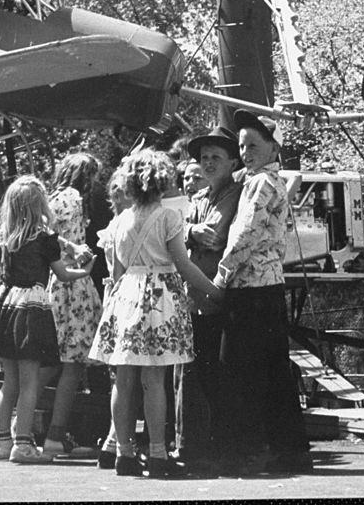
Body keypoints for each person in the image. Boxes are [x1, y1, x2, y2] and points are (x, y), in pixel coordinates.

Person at [89, 149, 220, 479]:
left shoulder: (119, 221)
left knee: (124, 377)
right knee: (154, 380)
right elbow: (184, 264)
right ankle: (159, 454)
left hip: (125, 296)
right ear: (162, 181)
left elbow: (117, 271)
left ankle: (123, 452)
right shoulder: (168, 218)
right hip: (159, 298)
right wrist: (216, 291)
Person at [207, 110, 313, 476]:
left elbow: (245, 235)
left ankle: (245, 452)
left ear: (273, 147)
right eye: (242, 146)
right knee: (273, 372)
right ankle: (289, 449)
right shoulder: (271, 180)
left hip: (249, 290)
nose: (246, 152)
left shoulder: (259, 185)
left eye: (253, 145)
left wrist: (221, 276)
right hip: (269, 288)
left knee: (237, 371)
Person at [0, 175, 96, 464]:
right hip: (31, 309)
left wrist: (67, 246)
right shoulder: (44, 240)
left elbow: (54, 241)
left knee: (10, 382)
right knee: (30, 381)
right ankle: (23, 445)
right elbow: (64, 275)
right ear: (39, 205)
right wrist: (87, 269)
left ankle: (2, 442)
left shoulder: (7, 235)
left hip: (5, 306)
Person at [173, 126, 242, 471]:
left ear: (232, 161)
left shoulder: (234, 193)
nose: (209, 163)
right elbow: (181, 234)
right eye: (204, 158)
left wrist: (191, 235)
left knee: (217, 375)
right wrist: (189, 232)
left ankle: (220, 446)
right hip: (194, 298)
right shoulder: (199, 199)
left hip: (218, 296)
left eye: (216, 157)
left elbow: (214, 238)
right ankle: (195, 445)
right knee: (196, 373)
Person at [41, 153, 103, 460]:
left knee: (59, 362)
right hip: (73, 285)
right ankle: (54, 434)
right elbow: (48, 233)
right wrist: (75, 249)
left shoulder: (55, 197)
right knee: (72, 364)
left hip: (62, 282)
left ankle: (27, 425)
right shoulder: (72, 198)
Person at [94, 167, 132, 469]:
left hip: (114, 297)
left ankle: (112, 441)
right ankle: (119, 441)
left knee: (119, 375)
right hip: (129, 294)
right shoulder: (127, 225)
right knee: (128, 375)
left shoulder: (112, 226)